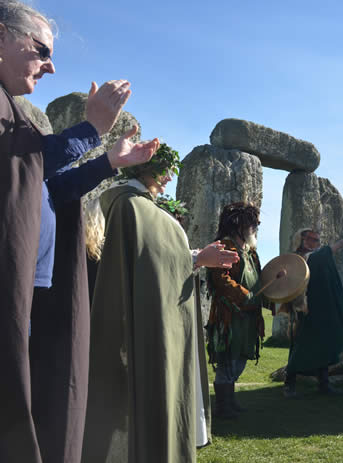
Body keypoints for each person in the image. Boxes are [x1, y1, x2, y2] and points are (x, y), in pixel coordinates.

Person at [0, 2, 152, 461]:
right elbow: (24, 163)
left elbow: (42, 185)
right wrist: (92, 129)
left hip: (32, 290)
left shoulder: (12, 110)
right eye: (42, 50)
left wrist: (108, 162)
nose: (50, 66)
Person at [81, 145, 238, 463]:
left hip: (120, 317)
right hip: (142, 322)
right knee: (143, 397)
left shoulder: (117, 202)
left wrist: (195, 257)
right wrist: (197, 258)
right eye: (165, 169)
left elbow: (149, 257)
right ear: (145, 167)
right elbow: (155, 261)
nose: (169, 177)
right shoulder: (135, 208)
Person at [206, 202, 269, 419]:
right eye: (253, 223)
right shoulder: (225, 247)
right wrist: (243, 295)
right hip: (230, 316)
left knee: (239, 359)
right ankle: (223, 406)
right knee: (228, 361)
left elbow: (259, 279)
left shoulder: (250, 252)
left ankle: (230, 401)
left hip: (248, 316)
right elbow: (220, 278)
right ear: (239, 225)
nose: (256, 227)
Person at [283, 229, 343, 397]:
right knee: (299, 346)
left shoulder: (316, 257)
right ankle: (289, 385)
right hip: (303, 310)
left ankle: (324, 384)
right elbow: (317, 259)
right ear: (300, 239)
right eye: (310, 239)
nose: (314, 242)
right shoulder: (296, 258)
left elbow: (324, 279)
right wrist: (342, 243)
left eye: (316, 240)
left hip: (320, 310)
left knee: (323, 344)